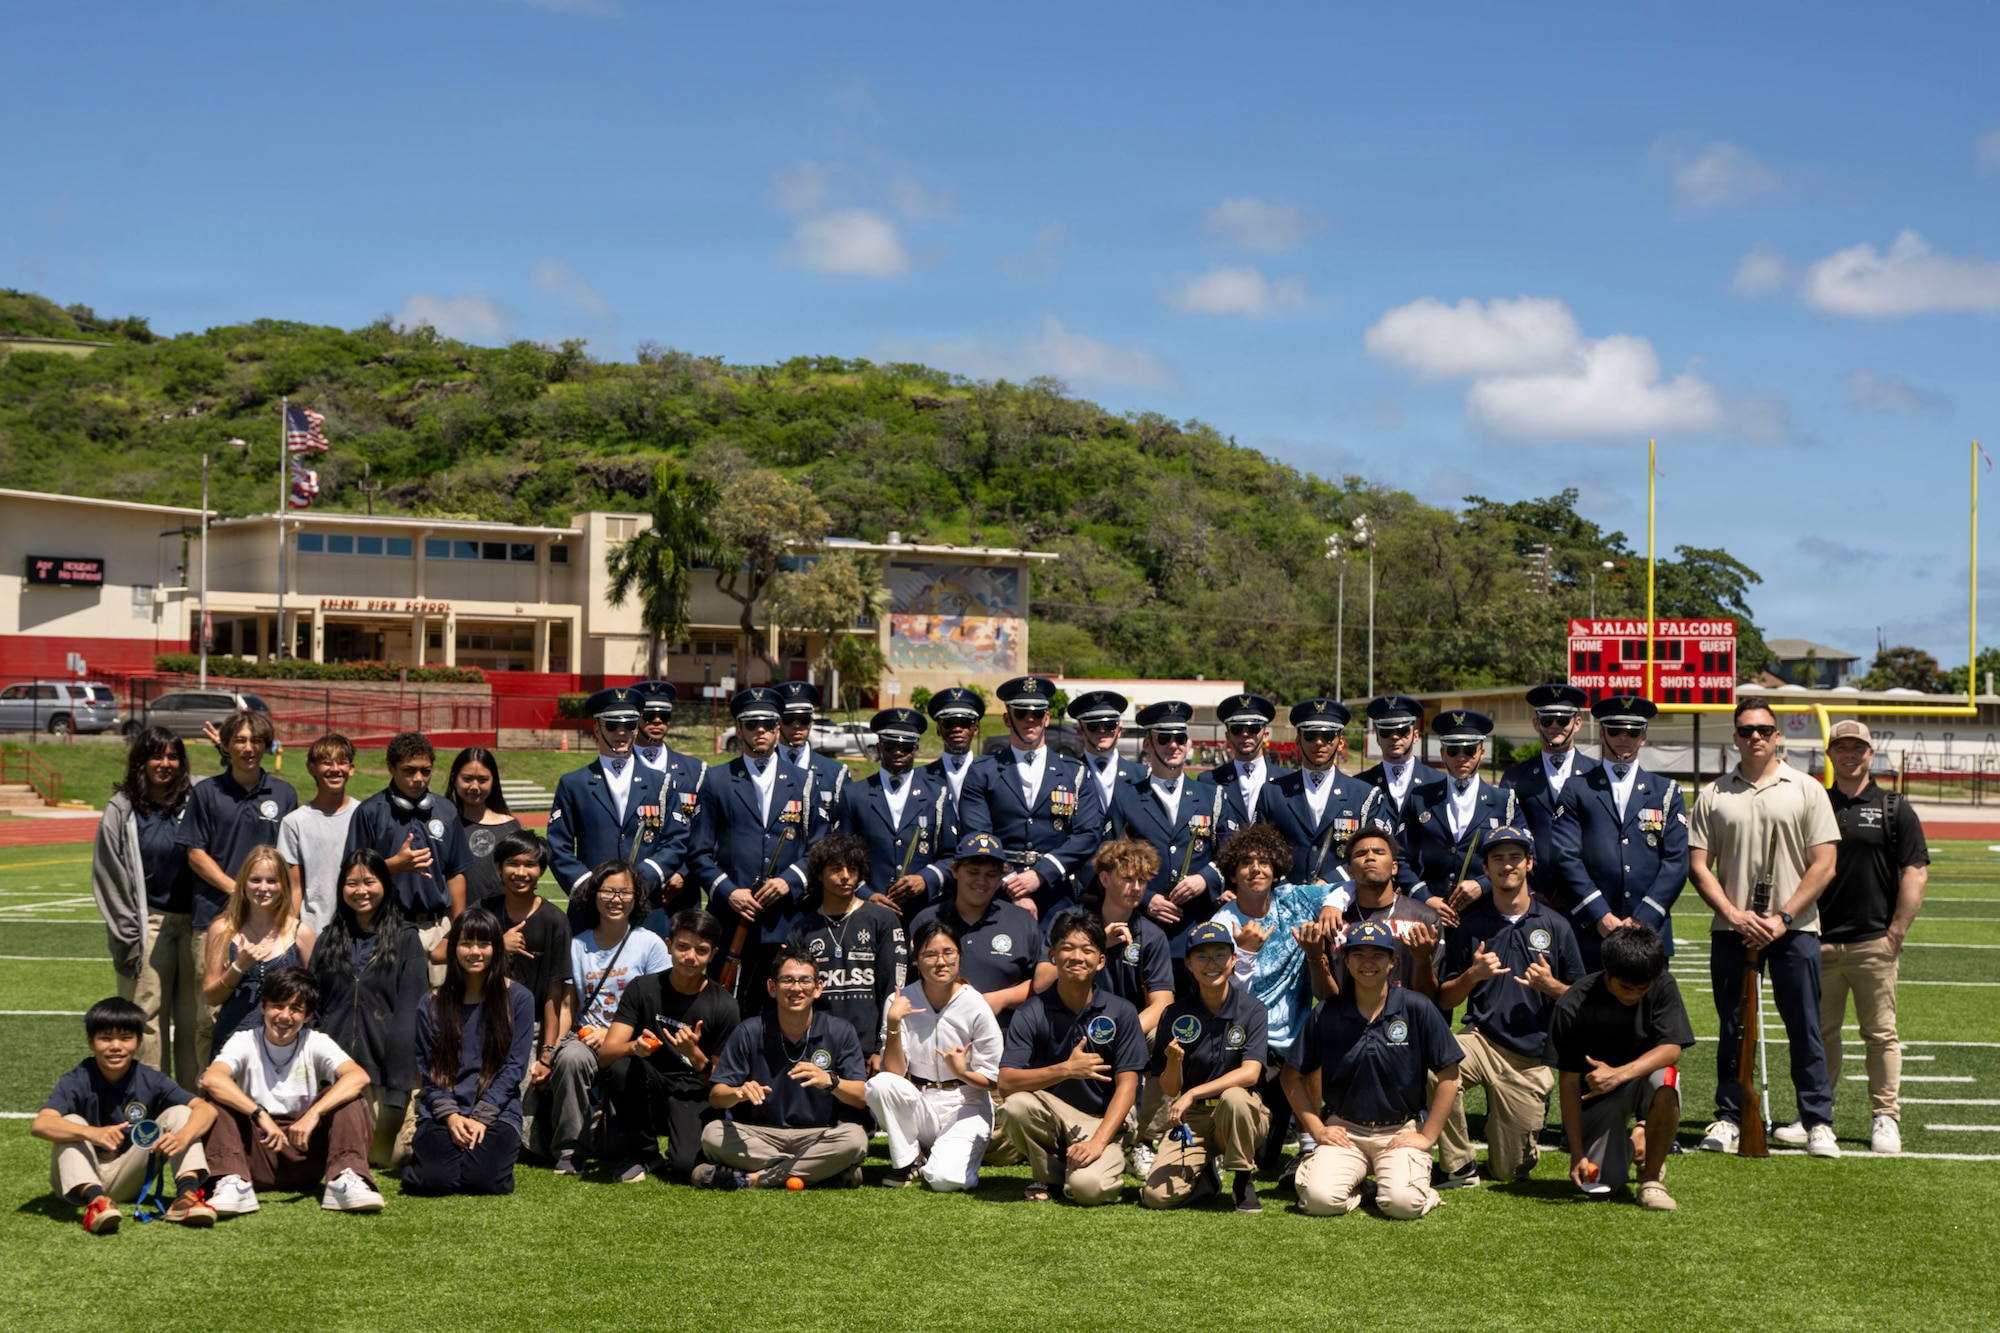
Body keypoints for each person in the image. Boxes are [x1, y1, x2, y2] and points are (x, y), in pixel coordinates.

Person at [1688, 697, 1842, 1159]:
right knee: (1734, 1027)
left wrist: (1783, 917)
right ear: (1735, 737)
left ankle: (1817, 1120)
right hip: (1733, 930)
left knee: (1804, 1026)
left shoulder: (1807, 789)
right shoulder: (1714, 794)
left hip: (1794, 929)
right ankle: (1730, 1117)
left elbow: (1825, 864)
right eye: (1746, 729)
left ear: (1778, 736)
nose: (1755, 736)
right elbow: (1699, 866)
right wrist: (1736, 916)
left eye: (1763, 729)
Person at [1432, 824, 1584, 1189]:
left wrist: (1551, 986)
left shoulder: (1557, 926)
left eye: (1515, 857)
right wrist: (1472, 976)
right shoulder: (1471, 927)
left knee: (1509, 1172)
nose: (1507, 865)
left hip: (1530, 1059)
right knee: (1434, 1063)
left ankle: (1517, 1149)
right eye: (1497, 858)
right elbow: (1445, 998)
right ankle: (1458, 1165)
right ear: (1485, 869)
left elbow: (1582, 998)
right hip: (1481, 1041)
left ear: (1530, 863)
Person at [1281, 920, 1463, 1219]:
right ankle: (1362, 1186)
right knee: (1318, 1201)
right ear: (1346, 960)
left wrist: (1427, 1136)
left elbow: (1449, 1076)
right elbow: (1291, 1075)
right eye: (1359, 954)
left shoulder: (1416, 1007)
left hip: (1399, 1130)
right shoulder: (1327, 1012)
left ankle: (1420, 1191)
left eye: (1377, 955)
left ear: (1392, 961)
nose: (1368, 963)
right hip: (1345, 1130)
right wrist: (1317, 1128)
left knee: (1403, 1206)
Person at [1815, 719, 1929, 1156]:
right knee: (1820, 1034)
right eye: (1841, 748)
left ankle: (1885, 1116)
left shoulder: (1893, 806)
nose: (1849, 755)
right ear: (1830, 754)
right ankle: (1817, 1115)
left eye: (1856, 748)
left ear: (1870, 753)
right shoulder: (1817, 803)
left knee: (1880, 1034)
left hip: (1872, 942)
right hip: (1820, 941)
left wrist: (1897, 930)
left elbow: (1915, 870)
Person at [199, 965, 384, 1215]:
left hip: (304, 1149)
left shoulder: (315, 1041)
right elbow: (212, 1079)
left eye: (296, 1009)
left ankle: (345, 1178)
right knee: (215, 1100)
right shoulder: (243, 1040)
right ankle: (231, 1181)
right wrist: (260, 1114)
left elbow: (358, 1076)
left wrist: (313, 1114)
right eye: (277, 1005)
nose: (285, 1016)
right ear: (262, 1006)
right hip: (256, 1151)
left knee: (348, 1096)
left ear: (307, 1016)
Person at [1208, 821, 1335, 1172]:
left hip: (1295, 1043)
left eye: (1264, 862)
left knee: (1317, 1030)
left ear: (1276, 869)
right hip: (1247, 1041)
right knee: (1263, 1160)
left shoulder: (1294, 899)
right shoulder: (1222, 924)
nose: (1256, 869)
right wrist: (1245, 955)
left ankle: (1311, 1143)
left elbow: (1351, 887)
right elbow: (1223, 1001)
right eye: (1246, 862)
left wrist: (1332, 905)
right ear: (1232, 875)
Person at [998, 910, 1149, 1204]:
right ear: (1053, 956)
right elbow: (1006, 1082)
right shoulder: (1032, 1011)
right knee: (1016, 1106)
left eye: (1087, 950)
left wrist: (1098, 1142)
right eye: (1067, 948)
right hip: (1054, 1115)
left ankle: (1081, 1168)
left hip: (1103, 1120)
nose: (1076, 957)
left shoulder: (1121, 1011)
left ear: (1101, 961)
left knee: (1088, 1190)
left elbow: (1128, 1086)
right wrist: (1066, 1069)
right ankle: (1051, 1176)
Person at [34, 996, 219, 1233]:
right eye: (105, 1038)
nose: (115, 1046)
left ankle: (186, 1197)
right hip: (77, 1182)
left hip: (127, 1176)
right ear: (90, 1042)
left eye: (125, 1038)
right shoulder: (76, 1079)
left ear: (139, 1041)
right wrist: (92, 1133)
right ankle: (97, 1202)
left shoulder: (151, 1078)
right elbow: (41, 1124)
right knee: (70, 1122)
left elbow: (206, 1109)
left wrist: (182, 1137)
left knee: (182, 1112)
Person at [698, 942, 871, 1190]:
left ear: (818, 988)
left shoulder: (840, 1031)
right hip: (758, 1134)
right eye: (787, 980)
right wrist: (738, 1093)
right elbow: (716, 1097)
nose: (796, 988)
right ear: (772, 987)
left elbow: (860, 1098)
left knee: (855, 1139)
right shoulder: (750, 1030)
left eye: (804, 981)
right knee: (712, 1134)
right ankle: (824, 1172)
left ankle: (756, 1179)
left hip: (817, 1135)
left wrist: (831, 1082)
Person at [1546, 924, 1695, 1211]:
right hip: (1594, 1099)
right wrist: (1576, 1154)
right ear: (1606, 971)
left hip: (1638, 1082)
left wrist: (1618, 1075)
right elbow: (1568, 1083)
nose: (1633, 996)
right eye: (1625, 988)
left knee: (1666, 1080)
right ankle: (1636, 1139)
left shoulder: (1663, 983)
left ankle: (1651, 1179)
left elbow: (1671, 1049)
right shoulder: (1573, 1004)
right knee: (1599, 1188)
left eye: (1643, 989)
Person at [690, 686, 821, 1010]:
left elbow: (818, 848)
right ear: (739, 729)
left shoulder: (805, 781)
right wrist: (730, 892)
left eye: (767, 724)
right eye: (751, 725)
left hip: (787, 919)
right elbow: (699, 852)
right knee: (725, 1006)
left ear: (778, 728)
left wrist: (788, 881)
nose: (759, 731)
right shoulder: (716, 780)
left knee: (787, 1005)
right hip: (732, 917)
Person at [180, 707, 298, 1061]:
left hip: (271, 924)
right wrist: (239, 892)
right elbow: (195, 853)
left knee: (274, 1010)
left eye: (257, 741)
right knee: (210, 1016)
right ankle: (208, 1093)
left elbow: (289, 861)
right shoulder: (206, 792)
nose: (249, 748)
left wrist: (287, 915)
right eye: (241, 740)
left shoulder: (284, 793)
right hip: (215, 918)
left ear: (267, 746)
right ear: (227, 746)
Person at [91, 725, 201, 1088]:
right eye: (157, 755)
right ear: (141, 760)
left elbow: (229, 787)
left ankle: (190, 1103)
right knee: (146, 1017)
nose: (165, 763)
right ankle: (153, 1102)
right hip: (149, 924)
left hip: (196, 924)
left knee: (194, 1019)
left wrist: (226, 753)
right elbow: (108, 876)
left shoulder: (197, 798)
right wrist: (127, 935)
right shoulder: (121, 809)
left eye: (173, 756)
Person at [598, 909, 742, 1184]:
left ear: (713, 954)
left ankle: (674, 1146)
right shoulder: (642, 988)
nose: (690, 957)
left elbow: (722, 1086)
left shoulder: (725, 1005)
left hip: (693, 1091)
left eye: (701, 950)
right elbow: (605, 1055)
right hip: (648, 1083)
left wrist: (696, 1057)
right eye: (683, 947)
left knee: (685, 1165)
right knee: (621, 1067)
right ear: (668, 946)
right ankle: (644, 1153)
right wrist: (634, 1048)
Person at [402, 906, 537, 1196]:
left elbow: (514, 1068)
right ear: (453, 949)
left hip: (497, 1111)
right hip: (443, 1110)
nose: (474, 952)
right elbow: (429, 1070)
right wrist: (451, 1116)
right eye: (465, 943)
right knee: (432, 1182)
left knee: (485, 1181)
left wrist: (481, 1116)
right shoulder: (431, 1002)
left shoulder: (519, 999)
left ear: (496, 949)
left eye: (483, 944)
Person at [546, 860, 670, 1175]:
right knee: (570, 1059)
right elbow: (567, 1006)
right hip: (586, 1037)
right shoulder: (578, 945)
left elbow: (660, 1008)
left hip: (632, 1040)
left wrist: (617, 1036)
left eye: (624, 892)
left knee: (625, 1071)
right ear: (594, 895)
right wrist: (556, 1048)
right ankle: (570, 1150)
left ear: (637, 897)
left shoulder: (650, 944)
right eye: (608, 891)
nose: (616, 899)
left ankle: (629, 1146)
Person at [866, 916, 1006, 1191]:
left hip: (966, 1103)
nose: (940, 962)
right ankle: (911, 1161)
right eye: (930, 954)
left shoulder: (974, 1003)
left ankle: (941, 1158)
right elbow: (893, 1073)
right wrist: (894, 1024)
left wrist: (962, 1071)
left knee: (945, 1180)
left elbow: (992, 1079)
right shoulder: (899, 1000)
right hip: (921, 1101)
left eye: (948, 953)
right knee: (879, 1085)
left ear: (959, 956)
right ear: (917, 959)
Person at [311, 848, 429, 1171]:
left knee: (387, 1158)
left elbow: (410, 1016)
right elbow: (313, 1008)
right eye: (352, 883)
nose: (361, 891)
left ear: (385, 886)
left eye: (369, 881)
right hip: (334, 1077)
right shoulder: (327, 940)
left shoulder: (407, 940)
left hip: (384, 1077)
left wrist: (397, 1089)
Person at [1142, 921, 1270, 1213]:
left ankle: (1242, 1179)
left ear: (1234, 959)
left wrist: (1192, 1093)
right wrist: (1174, 1062)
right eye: (1201, 956)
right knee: (1156, 1197)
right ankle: (1207, 1181)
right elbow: (1169, 1088)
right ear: (1188, 963)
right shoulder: (1174, 1013)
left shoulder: (1252, 1009)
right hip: (1194, 1118)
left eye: (1219, 955)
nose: (1211, 964)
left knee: (1235, 1097)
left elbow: (1250, 1074)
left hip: (1240, 1114)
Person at [1556, 695, 1690, 972]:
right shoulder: (1576, 789)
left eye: (1632, 731)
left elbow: (1676, 861)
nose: (1623, 738)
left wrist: (1643, 917)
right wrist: (1600, 914)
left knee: (1647, 1013)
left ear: (1643, 736)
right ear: (1602, 733)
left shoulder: (1667, 791)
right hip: (1591, 930)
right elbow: (1566, 856)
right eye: (1615, 730)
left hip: (1649, 932)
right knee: (1589, 1013)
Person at [956, 674, 1104, 921]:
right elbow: (977, 832)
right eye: (1021, 713)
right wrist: (1011, 883)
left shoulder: (1074, 772)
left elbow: (1088, 834)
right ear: (1007, 718)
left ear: (1047, 718)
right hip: (998, 889)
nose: (1030, 719)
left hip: (1057, 890)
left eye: (1037, 714)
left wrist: (1042, 874)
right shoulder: (983, 770)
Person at [552, 687, 694, 932]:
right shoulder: (573, 784)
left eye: (629, 725)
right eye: (611, 726)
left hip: (646, 908)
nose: (621, 732)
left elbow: (676, 841)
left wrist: (640, 880)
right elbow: (558, 846)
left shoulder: (663, 783)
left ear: (636, 728)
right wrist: (590, 886)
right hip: (590, 910)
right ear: (597, 729)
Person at [1109, 700, 1231, 969]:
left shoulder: (1212, 796)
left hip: (1197, 928)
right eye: (1164, 738)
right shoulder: (1125, 797)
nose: (1173, 745)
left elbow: (1229, 855)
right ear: (1148, 745)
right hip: (1141, 925)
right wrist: (1145, 898)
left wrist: (1205, 878)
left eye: (1180, 738)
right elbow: (1109, 861)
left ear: (1187, 745)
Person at [343, 731, 472, 983]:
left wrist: (456, 931)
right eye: (409, 770)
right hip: (386, 927)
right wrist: (392, 866)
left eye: (426, 771)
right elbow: (352, 876)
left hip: (438, 928)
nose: (418, 779)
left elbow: (456, 873)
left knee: (440, 1009)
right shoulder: (369, 812)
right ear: (391, 767)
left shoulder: (446, 810)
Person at [1086, 837, 1177, 1181]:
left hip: (1128, 1029)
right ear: (1105, 879)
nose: (1136, 887)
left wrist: (1124, 1034)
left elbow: (1162, 1002)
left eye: (1142, 880)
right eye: (1127, 878)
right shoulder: (1076, 922)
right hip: (1076, 1024)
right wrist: (1098, 944)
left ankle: (1146, 1140)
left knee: (1165, 1039)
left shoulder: (1151, 936)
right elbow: (1044, 979)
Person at [788, 834, 908, 1070]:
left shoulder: (882, 920)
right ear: (819, 874)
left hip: (868, 1050)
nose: (845, 876)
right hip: (817, 1047)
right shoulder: (802, 929)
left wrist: (881, 1047)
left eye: (852, 869)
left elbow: (894, 988)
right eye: (836, 869)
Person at [479, 831, 572, 1120]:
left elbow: (554, 992)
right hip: (482, 1024)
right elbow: (445, 953)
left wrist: (547, 1052)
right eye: (513, 864)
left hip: (530, 1032)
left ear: (541, 871)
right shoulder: (484, 912)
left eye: (530, 865)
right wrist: (497, 945)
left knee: (525, 1126)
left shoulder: (555, 920)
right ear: (498, 867)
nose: (521, 872)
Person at [1398, 709, 1516, 919]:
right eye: (1453, 751)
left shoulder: (1504, 801)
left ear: (1482, 752)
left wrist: (1483, 885)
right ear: (1442, 753)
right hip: (1429, 914)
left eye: (1469, 750)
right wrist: (1425, 897)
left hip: (1486, 913)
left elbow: (1523, 858)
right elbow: (1400, 857)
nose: (1461, 757)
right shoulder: (1420, 798)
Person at [837, 707, 953, 918]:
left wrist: (926, 879)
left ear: (916, 749)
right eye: (891, 746)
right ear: (879, 747)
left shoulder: (938, 794)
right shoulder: (854, 794)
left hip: (923, 911)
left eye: (906, 747)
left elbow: (952, 855)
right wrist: (866, 893)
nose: (898, 752)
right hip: (868, 910)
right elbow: (842, 856)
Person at [203, 846, 315, 1058]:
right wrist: (238, 967)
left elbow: (316, 996)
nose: (263, 888)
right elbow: (211, 996)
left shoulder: (301, 933)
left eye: (272, 881)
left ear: (283, 885)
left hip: (286, 1050)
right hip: (233, 1046)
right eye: (255, 880)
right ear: (243, 883)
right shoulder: (222, 930)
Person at [1261, 699, 1379, 896]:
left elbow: (1372, 852)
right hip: (1284, 900)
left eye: (1328, 735)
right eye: (1310, 735)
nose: (1319, 742)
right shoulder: (1272, 792)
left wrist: (1328, 882)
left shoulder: (1364, 795)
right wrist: (1285, 887)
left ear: (1340, 742)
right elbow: (1261, 846)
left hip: (1344, 899)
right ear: (1298, 740)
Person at [1498, 684, 1598, 908]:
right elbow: (1508, 837)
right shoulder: (1515, 778)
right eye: (1547, 720)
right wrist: (1527, 890)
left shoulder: (1597, 777)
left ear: (1577, 723)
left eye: (1563, 721)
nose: (1555, 726)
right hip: (1533, 895)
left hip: (1588, 897)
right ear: (1536, 723)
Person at [1338, 826, 1444, 1001]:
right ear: (1350, 871)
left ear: (1395, 867)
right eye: (1361, 854)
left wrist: (1422, 960)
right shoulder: (1334, 919)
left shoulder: (1425, 918)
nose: (1370, 857)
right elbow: (1326, 997)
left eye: (1379, 852)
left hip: (1410, 1021)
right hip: (1347, 1023)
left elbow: (1430, 996)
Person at [277, 733, 360, 936]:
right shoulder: (294, 822)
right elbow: (294, 887)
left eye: (342, 762)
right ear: (311, 768)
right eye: (326, 763)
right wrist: (289, 934)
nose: (335, 769)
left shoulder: (364, 815)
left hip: (358, 930)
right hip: (313, 930)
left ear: (351, 769)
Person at [1068, 688, 1145, 882]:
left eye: (1109, 725)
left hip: (1128, 879)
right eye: (1093, 726)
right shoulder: (1066, 773)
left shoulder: (1142, 776)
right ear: (1080, 731)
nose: (1102, 731)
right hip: (1080, 879)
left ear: (1119, 730)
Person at [1201, 692, 1294, 842]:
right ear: (1227, 736)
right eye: (1237, 729)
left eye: (1254, 728)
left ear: (1265, 735)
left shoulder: (1287, 780)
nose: (1245, 734)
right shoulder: (1209, 781)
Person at [774, 679, 850, 840]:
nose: (796, 726)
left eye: (803, 719)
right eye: (789, 719)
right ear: (778, 722)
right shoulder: (763, 768)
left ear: (811, 722)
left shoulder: (835, 773)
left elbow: (843, 827)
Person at [449, 745, 522, 906]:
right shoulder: (444, 824)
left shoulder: (510, 826)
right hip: (453, 922)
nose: (474, 787)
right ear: (454, 779)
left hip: (500, 923)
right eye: (467, 779)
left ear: (494, 780)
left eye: (483, 780)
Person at [1355, 694, 1442, 820]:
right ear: (1377, 737)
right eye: (1386, 732)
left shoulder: (1438, 783)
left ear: (1416, 736)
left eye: (1402, 731)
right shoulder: (1360, 785)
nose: (1394, 737)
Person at [922, 685, 986, 833]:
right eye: (948, 723)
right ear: (938, 729)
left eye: (965, 723)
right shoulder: (920, 778)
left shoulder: (990, 775)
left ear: (975, 729)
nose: (957, 729)